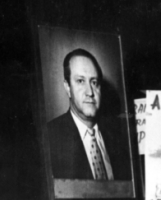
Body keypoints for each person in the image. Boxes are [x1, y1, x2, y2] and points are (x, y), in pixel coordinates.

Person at [47, 48, 130, 181]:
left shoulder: (120, 136)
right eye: (80, 81)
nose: (90, 92)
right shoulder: (49, 137)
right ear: (68, 87)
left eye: (94, 82)